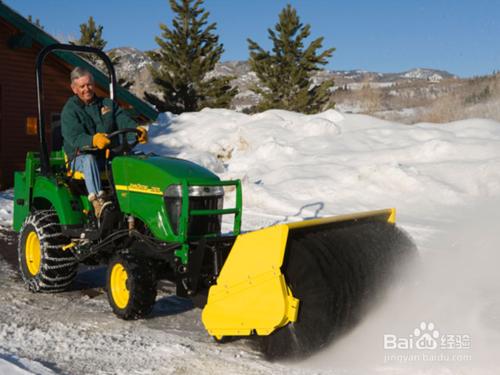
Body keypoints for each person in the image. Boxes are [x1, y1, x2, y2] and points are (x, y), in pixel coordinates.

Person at [61, 66, 148, 218]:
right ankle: (98, 201)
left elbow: (122, 119)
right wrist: (92, 140)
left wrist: (137, 130)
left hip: (107, 155)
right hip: (79, 156)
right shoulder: (70, 110)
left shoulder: (107, 104)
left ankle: (140, 196)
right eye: (82, 86)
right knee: (89, 160)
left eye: (89, 85)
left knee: (136, 158)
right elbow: (74, 137)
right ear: (74, 89)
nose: (86, 89)